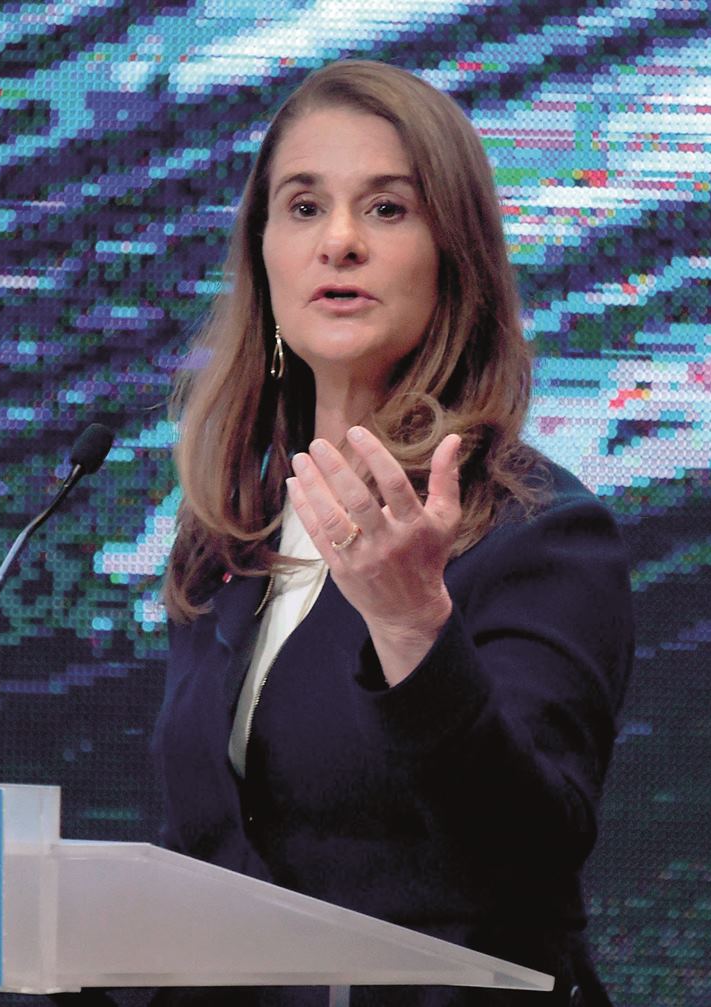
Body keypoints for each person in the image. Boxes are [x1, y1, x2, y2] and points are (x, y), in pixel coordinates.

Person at [152, 61, 633, 1006]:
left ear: (453, 255)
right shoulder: (228, 537)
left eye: (386, 210)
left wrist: (416, 631)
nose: (338, 242)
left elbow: (534, 856)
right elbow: (207, 847)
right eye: (302, 208)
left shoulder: (541, 533)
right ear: (263, 257)